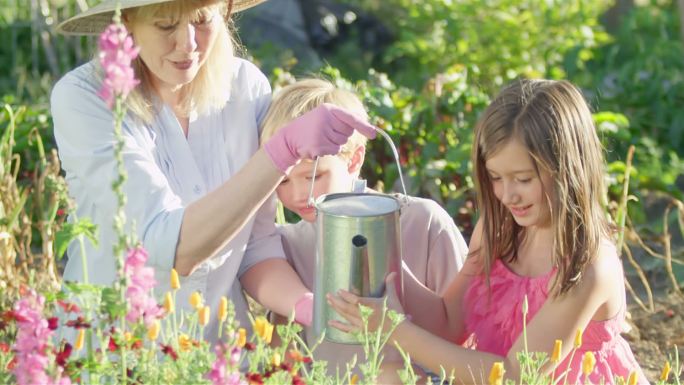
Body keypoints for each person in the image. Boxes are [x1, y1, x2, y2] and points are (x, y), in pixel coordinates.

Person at [51, 0, 376, 344]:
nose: (188, 43)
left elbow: (257, 245)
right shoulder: (86, 99)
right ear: (128, 21)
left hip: (219, 352)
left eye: (202, 19)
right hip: (121, 352)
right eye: (165, 25)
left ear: (224, 12)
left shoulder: (244, 86)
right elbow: (176, 250)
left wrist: (311, 309)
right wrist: (279, 153)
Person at [328, 79, 650, 384]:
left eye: (523, 179)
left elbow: (515, 375)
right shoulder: (499, 230)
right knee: (389, 377)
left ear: (568, 169)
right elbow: (449, 323)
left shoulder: (587, 265)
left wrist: (395, 329)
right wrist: (383, 253)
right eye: (496, 177)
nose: (507, 195)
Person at [260, 78, 467, 377]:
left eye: (313, 177)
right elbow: (283, 357)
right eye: (282, 181)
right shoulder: (285, 247)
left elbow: (465, 333)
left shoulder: (423, 222)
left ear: (354, 159)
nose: (296, 195)